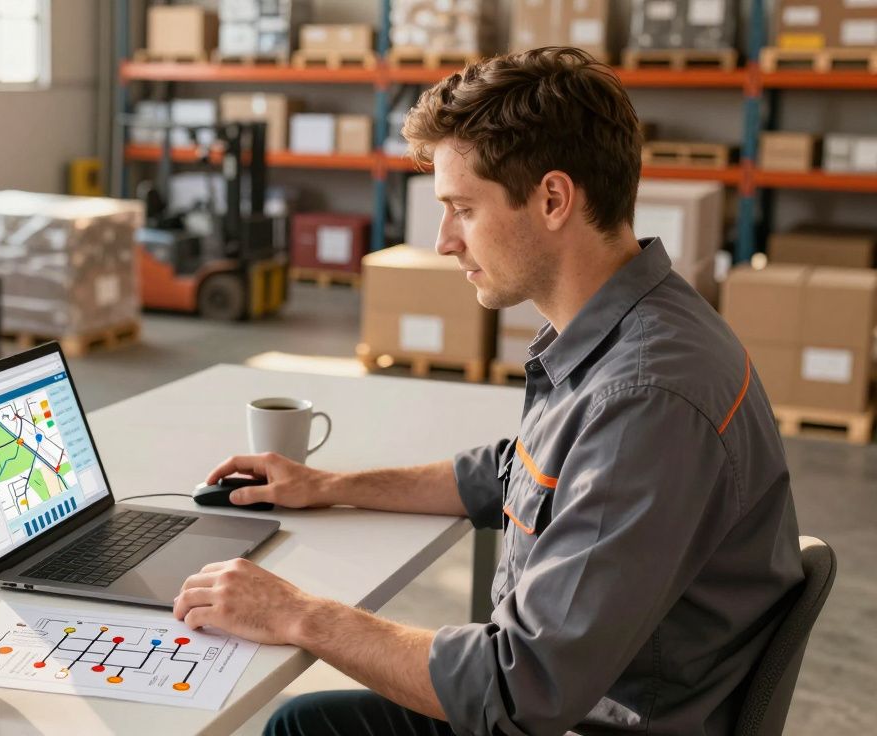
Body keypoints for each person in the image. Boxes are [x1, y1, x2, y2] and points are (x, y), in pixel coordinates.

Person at [173, 47, 804, 736]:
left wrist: (298, 614)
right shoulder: (631, 328)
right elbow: (513, 472)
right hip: (582, 695)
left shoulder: (646, 399)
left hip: (581, 717)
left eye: (463, 209)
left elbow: (519, 689)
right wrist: (326, 485)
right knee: (308, 724)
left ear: (553, 199)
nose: (445, 240)